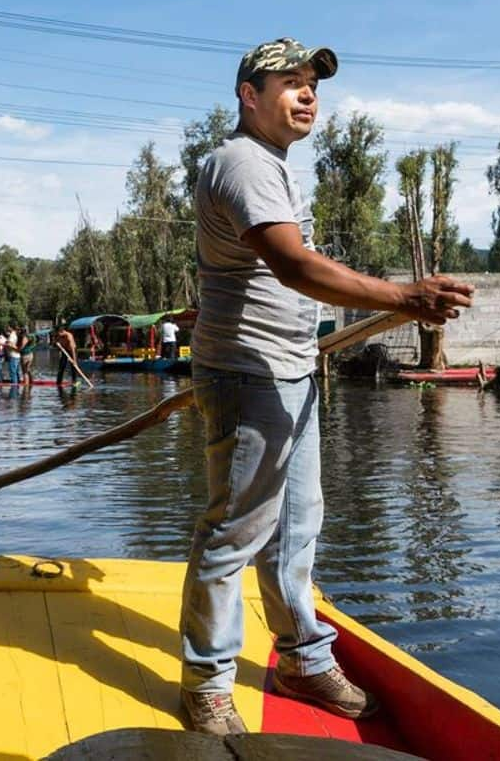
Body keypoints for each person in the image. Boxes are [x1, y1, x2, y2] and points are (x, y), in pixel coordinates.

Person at [178, 38, 474, 736]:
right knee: (236, 530)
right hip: (248, 370)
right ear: (248, 95)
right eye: (291, 82)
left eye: (314, 83)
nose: (308, 93)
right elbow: (295, 266)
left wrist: (390, 304)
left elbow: (298, 268)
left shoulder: (271, 166)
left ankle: (302, 658)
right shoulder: (242, 162)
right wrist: (401, 294)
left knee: (297, 527)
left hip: (289, 366)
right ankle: (207, 683)